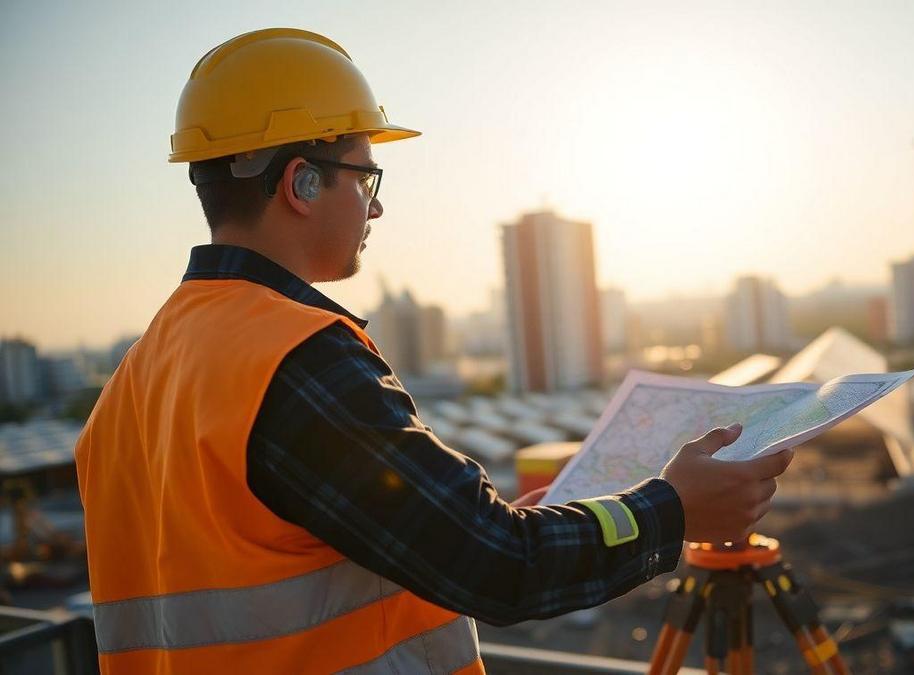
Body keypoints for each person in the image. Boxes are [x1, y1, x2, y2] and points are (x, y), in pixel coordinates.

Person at [75, 28, 794, 674]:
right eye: (366, 177)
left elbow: (265, 559)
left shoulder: (134, 381)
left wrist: (466, 522)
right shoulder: (296, 360)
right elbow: (500, 569)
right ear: (304, 182)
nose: (376, 207)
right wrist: (673, 509)